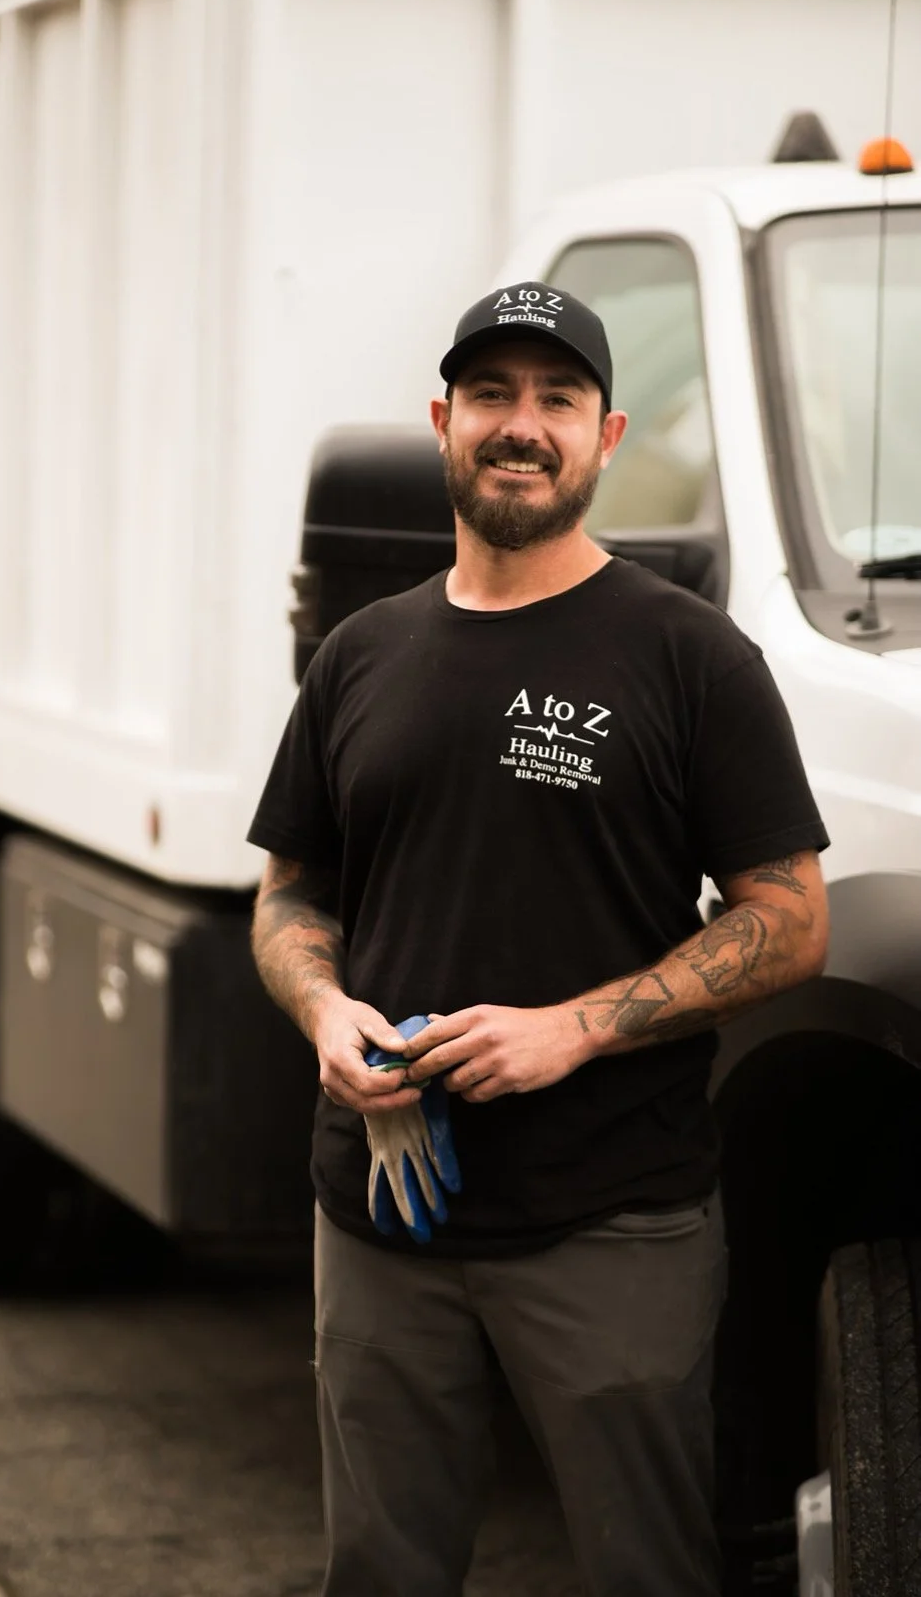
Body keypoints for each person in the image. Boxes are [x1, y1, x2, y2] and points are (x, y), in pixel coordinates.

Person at [246, 281, 829, 1597]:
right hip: (380, 1214)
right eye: (491, 396)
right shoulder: (360, 654)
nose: (522, 424)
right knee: (382, 1575)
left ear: (605, 436)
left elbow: (790, 919)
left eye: (557, 398)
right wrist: (323, 1012)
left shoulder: (691, 658)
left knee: (647, 1573)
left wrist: (572, 1029)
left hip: (611, 1220)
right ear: (442, 423)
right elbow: (289, 895)